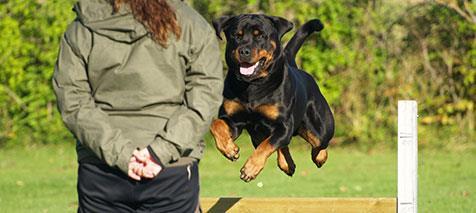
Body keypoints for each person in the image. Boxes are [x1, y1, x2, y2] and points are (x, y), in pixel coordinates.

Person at [52, 0, 224, 212]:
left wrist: (122, 153)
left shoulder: (81, 29)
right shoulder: (192, 25)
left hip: (102, 167)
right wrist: (160, 152)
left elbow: (73, 101)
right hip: (171, 168)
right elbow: (205, 98)